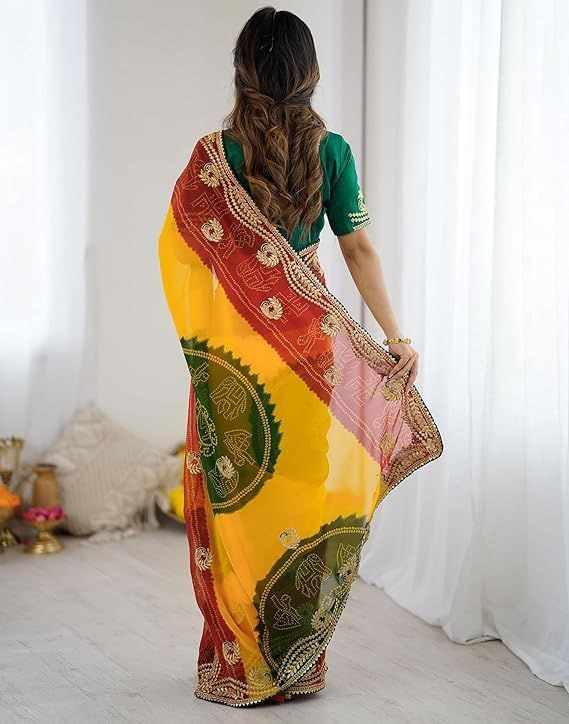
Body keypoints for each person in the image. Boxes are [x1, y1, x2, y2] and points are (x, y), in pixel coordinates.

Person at [158, 6, 442, 708]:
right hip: (312, 347)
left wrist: (220, 317)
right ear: (311, 73)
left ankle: (243, 658)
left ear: (242, 71)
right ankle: (297, 659)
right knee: (306, 498)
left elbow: (180, 251)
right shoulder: (332, 151)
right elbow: (358, 247)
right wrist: (395, 336)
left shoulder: (212, 157)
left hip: (237, 357)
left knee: (238, 497)